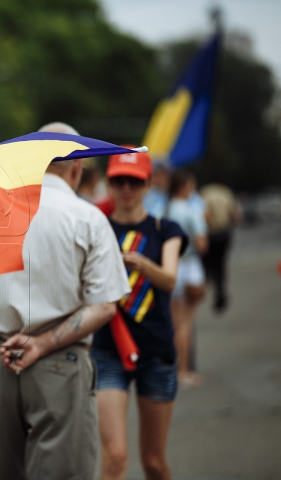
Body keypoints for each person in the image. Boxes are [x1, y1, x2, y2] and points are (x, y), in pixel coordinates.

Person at [0, 122, 130, 480]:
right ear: (77, 167)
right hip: (60, 361)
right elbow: (105, 304)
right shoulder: (88, 217)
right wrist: (43, 343)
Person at [92, 149, 186, 480]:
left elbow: (171, 279)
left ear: (148, 184)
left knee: (154, 463)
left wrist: (140, 263)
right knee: (115, 456)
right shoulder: (96, 227)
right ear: (109, 183)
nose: (126, 188)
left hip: (156, 352)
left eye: (134, 181)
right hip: (108, 351)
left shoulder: (165, 229)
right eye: (119, 180)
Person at [166, 170, 208, 387]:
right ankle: (183, 371)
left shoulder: (164, 208)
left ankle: (172, 369)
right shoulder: (191, 211)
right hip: (188, 264)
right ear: (185, 187)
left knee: (172, 321)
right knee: (185, 323)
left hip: (169, 264)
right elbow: (202, 243)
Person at [200, 182, 240, 312]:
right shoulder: (226, 193)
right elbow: (236, 215)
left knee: (208, 265)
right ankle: (221, 293)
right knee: (220, 265)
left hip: (210, 233)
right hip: (224, 233)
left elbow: (203, 215)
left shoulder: (205, 193)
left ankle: (204, 293)